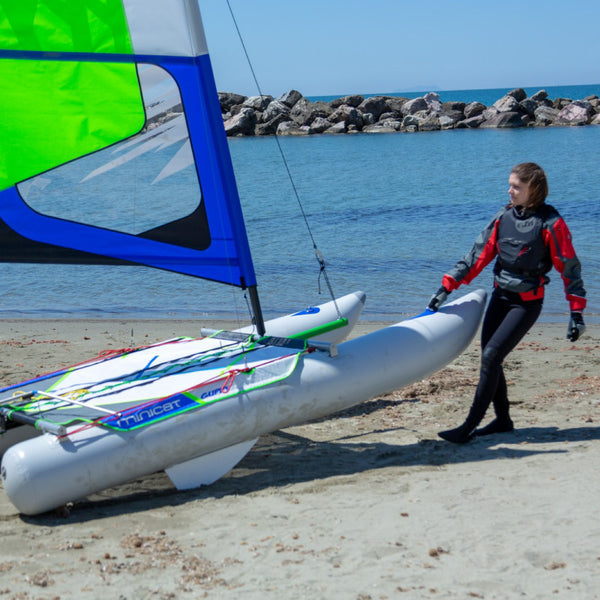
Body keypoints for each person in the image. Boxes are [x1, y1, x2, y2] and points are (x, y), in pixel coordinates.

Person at [428, 162, 586, 444]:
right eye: (510, 184)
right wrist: (446, 287)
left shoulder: (552, 224)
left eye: (516, 186)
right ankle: (503, 420)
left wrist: (576, 312)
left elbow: (569, 267)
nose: (509, 190)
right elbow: (477, 256)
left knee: (491, 357)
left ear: (533, 190)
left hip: (526, 304)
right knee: (490, 359)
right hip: (500, 297)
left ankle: (468, 426)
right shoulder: (503, 217)